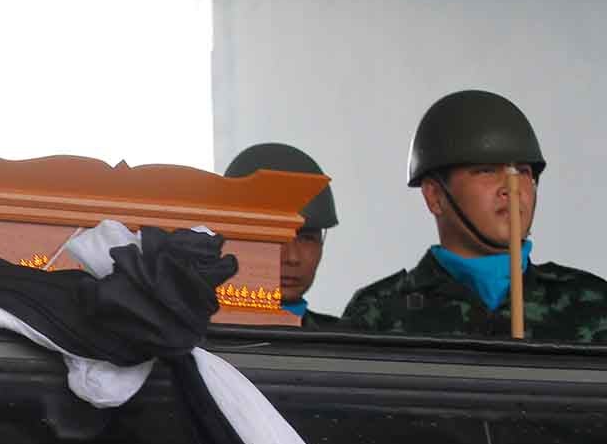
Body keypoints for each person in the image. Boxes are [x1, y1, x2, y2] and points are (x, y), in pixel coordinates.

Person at [342, 90, 607, 341]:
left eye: (524, 172)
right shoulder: (380, 313)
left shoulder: (593, 303)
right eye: (487, 171)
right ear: (435, 196)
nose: (511, 189)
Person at [223, 143, 340, 327]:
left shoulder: (343, 343)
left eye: (307, 238)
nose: (292, 257)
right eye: (275, 238)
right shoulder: (187, 339)